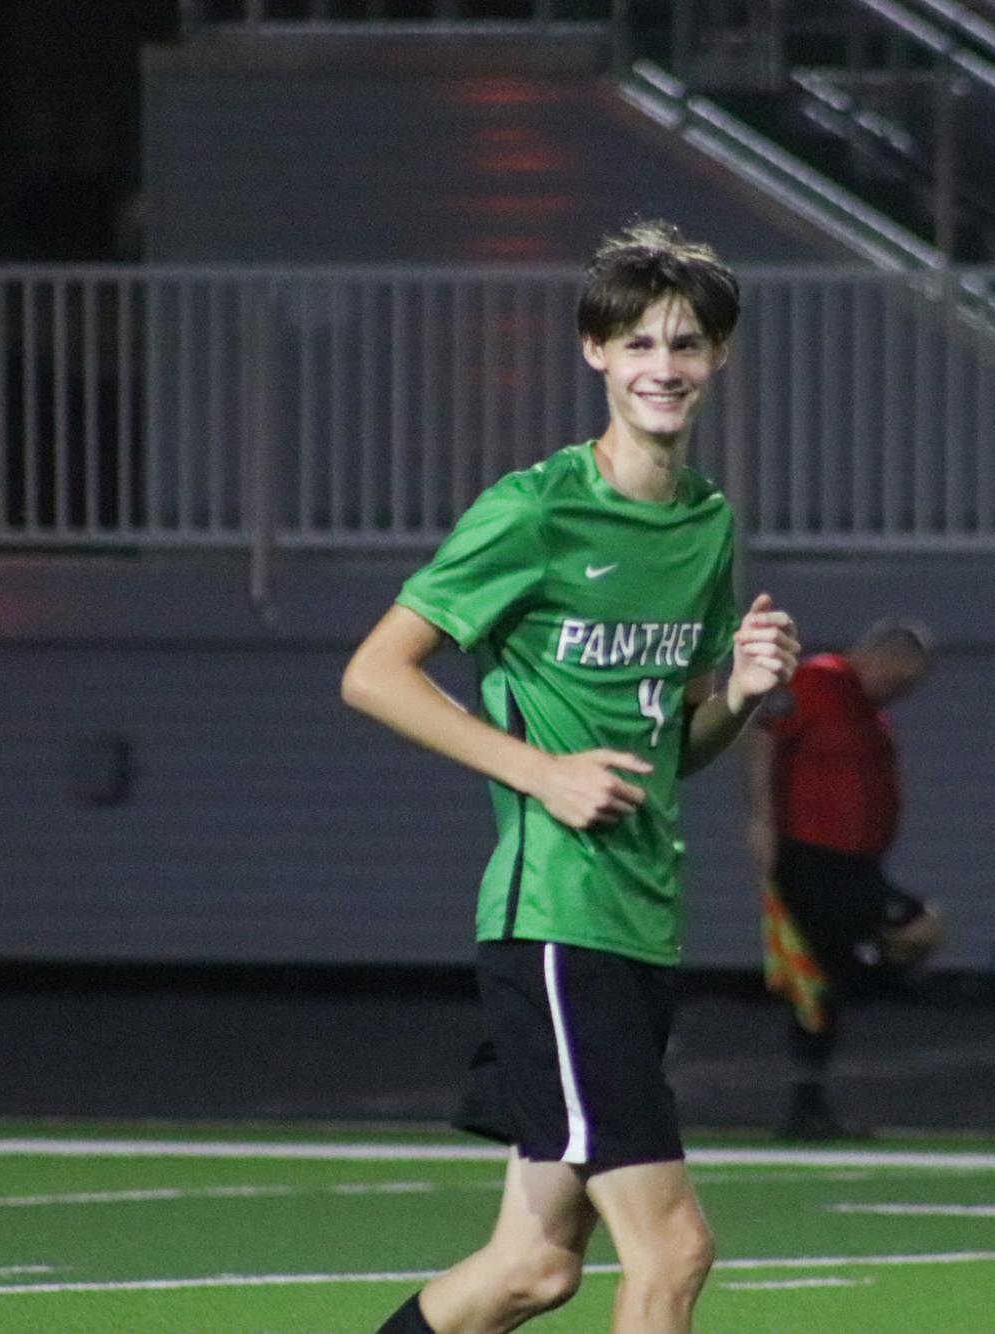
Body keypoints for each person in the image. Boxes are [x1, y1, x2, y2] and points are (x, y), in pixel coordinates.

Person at [342, 220, 800, 1334]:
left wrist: (735, 694)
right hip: (558, 925)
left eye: (686, 344)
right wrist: (539, 772)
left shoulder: (705, 524)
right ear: (593, 351)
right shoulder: (536, 509)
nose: (663, 366)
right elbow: (374, 673)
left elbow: (670, 745)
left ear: (719, 358)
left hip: (643, 922)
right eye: (637, 342)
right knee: (675, 1248)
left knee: (530, 1268)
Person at [744, 618, 944, 1139]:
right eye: (899, 683)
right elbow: (764, 739)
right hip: (814, 855)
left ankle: (806, 1108)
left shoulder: (868, 711)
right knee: (922, 928)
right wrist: (763, 821)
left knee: (820, 985)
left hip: (855, 861)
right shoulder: (818, 682)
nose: (899, 696)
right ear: (878, 659)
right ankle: (868, 969)